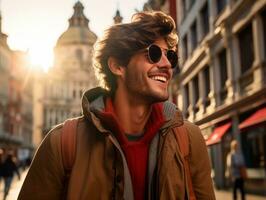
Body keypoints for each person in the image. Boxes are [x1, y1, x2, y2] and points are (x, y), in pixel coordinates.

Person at [18, 11, 215, 200]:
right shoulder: (62, 143)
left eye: (170, 56)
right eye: (153, 54)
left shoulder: (188, 139)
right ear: (117, 66)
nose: (167, 65)